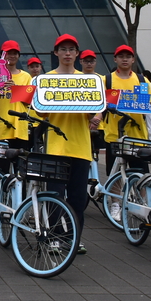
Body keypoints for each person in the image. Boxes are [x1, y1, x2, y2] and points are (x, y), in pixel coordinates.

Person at [40, 34, 96, 255]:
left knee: (78, 198)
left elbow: (95, 110)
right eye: (63, 49)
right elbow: (41, 112)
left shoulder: (88, 81)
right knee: (54, 195)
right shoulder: (47, 79)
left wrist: (95, 113)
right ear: (56, 52)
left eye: (71, 49)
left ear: (77, 53)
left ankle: (73, 238)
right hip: (55, 146)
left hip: (81, 146)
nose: (67, 53)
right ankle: (52, 236)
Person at [100, 44, 151, 220]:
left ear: (133, 59)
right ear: (115, 59)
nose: (125, 59)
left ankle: (141, 206)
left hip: (138, 137)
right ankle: (115, 204)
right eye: (121, 56)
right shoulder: (106, 80)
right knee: (116, 173)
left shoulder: (141, 80)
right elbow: (99, 103)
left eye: (128, 56)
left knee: (140, 173)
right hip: (114, 135)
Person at [0, 40, 33, 149]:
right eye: (8, 53)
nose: (12, 56)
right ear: (3, 55)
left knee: (20, 165)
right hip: (2, 127)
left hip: (20, 128)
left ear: (18, 56)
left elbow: (29, 102)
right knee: (1, 165)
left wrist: (15, 88)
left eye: (15, 53)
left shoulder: (26, 77)